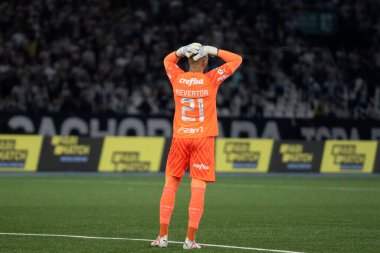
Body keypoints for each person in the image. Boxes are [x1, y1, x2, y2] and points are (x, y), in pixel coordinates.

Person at [151, 43, 242, 249]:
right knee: (198, 189)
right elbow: (237, 60)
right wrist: (213, 50)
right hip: (203, 139)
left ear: (188, 61)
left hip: (180, 138)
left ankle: (162, 237)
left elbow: (167, 60)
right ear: (205, 61)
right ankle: (189, 240)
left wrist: (180, 51)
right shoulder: (210, 79)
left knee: (170, 186)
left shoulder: (177, 77)